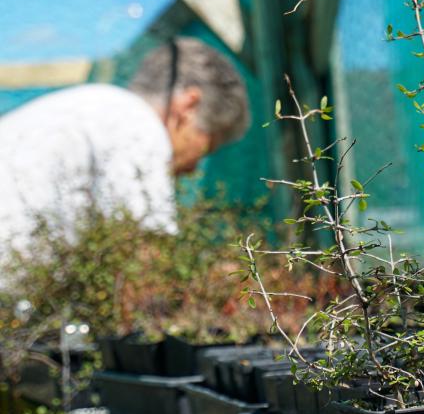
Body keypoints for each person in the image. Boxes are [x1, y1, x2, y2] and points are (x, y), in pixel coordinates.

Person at [0, 37, 250, 260]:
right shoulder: (136, 124)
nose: (193, 169)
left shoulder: (87, 109)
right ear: (188, 106)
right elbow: (145, 259)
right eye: (206, 147)